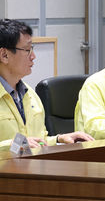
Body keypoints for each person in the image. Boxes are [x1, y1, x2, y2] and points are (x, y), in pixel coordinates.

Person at [0, 19, 92, 150]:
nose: (33, 56)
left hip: (32, 163)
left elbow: (37, 142)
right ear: (4, 55)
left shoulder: (30, 95)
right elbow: (21, 144)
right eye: (27, 50)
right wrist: (12, 144)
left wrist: (59, 139)